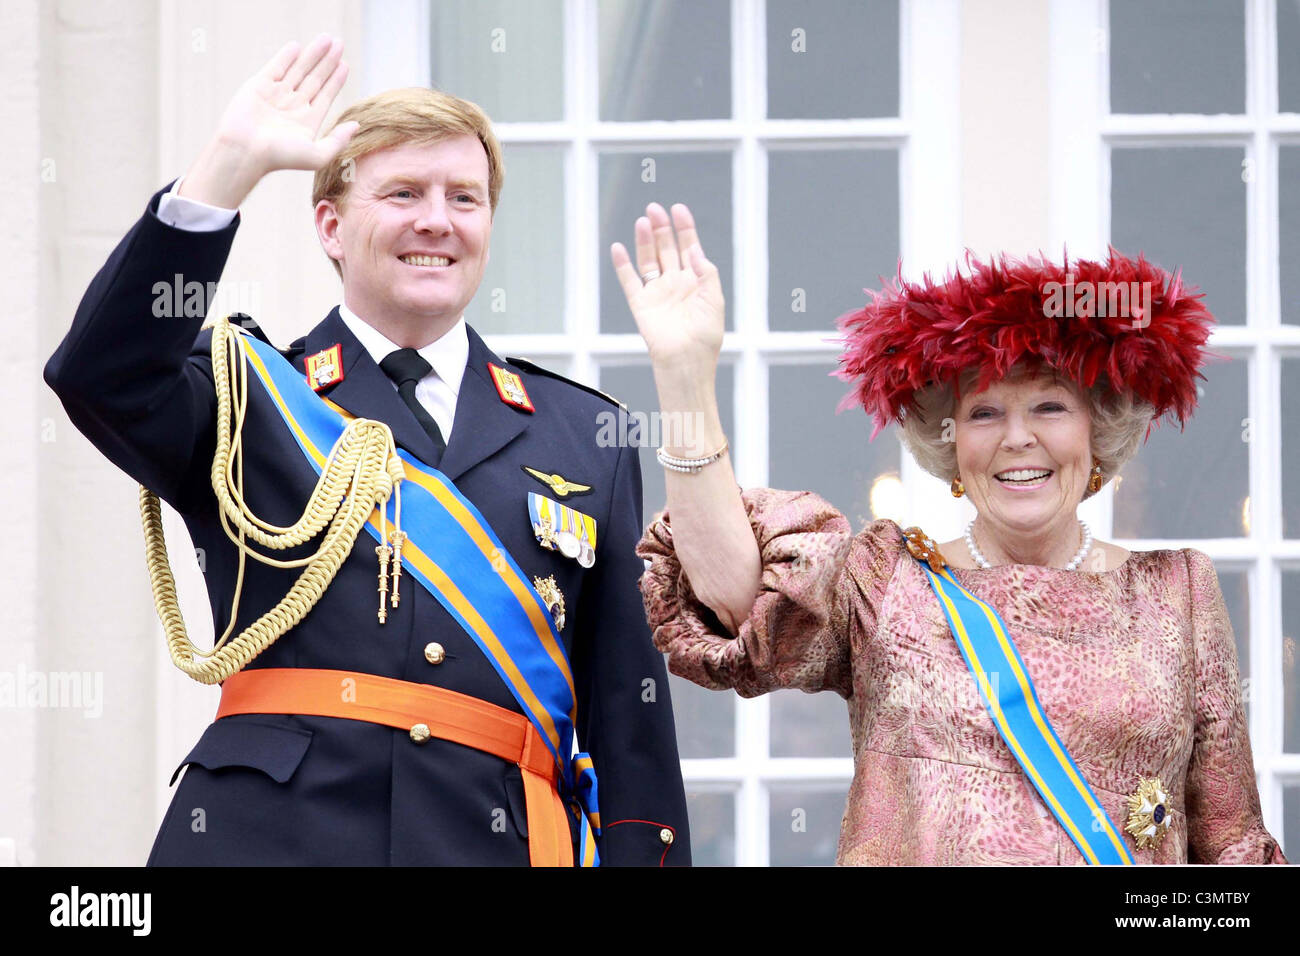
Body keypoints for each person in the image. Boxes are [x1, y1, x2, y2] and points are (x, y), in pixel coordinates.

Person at [45, 35, 690, 867]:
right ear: (331, 226)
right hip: (274, 840)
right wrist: (226, 170)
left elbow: (628, 724)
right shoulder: (247, 395)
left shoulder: (582, 435)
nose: (436, 220)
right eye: (402, 193)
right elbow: (101, 375)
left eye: (465, 197)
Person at [611, 201, 1286, 865]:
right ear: (951, 439)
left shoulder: (1178, 595)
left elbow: (1231, 845)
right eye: (985, 412)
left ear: (1097, 430)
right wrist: (685, 378)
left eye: (1050, 406)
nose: (1018, 438)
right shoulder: (887, 585)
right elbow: (733, 599)